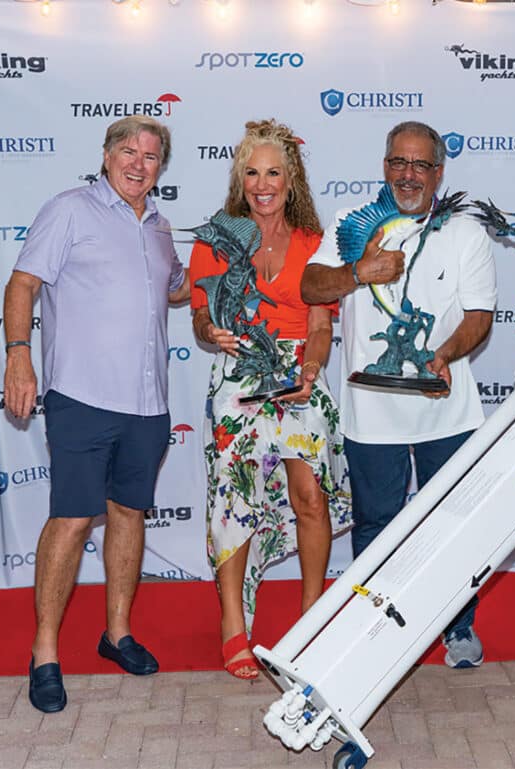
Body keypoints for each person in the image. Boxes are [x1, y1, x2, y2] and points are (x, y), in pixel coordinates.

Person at [3, 115, 190, 713]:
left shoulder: (161, 229)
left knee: (129, 514)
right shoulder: (70, 210)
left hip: (148, 402)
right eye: (129, 151)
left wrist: (231, 268)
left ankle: (117, 634)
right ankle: (46, 652)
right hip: (81, 397)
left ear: (162, 166)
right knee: (73, 520)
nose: (139, 163)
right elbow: (22, 285)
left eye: (152, 156)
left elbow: (179, 288)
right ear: (107, 155)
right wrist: (18, 358)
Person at [301, 121, 497, 668]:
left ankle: (458, 627)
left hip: (446, 410)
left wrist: (448, 353)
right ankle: (374, 627)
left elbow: (480, 316)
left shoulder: (465, 232)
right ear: (384, 165)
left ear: (439, 171)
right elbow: (310, 286)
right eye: (397, 163)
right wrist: (360, 271)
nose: (407, 175)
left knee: (453, 524)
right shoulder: (351, 223)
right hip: (372, 415)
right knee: (375, 526)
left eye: (420, 165)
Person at [188, 119, 351, 680]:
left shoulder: (314, 241)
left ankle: (311, 615)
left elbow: (321, 321)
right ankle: (233, 625)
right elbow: (202, 314)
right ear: (240, 178)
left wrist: (311, 364)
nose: (263, 184)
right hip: (237, 376)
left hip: (298, 373)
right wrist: (209, 331)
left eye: (273, 173)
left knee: (310, 496)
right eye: (252, 172)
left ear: (291, 179)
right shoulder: (217, 237)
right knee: (232, 500)